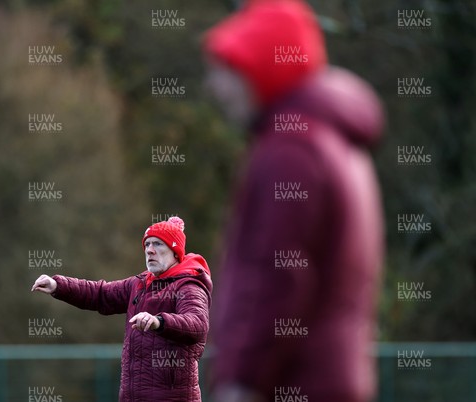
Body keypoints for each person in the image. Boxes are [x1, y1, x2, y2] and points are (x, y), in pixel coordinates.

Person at [203, 1, 385, 401]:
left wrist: (242, 382)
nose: (216, 88)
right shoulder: (335, 141)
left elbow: (277, 278)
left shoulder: (290, 151)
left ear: (266, 70)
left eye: (232, 71)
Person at [31, 216, 212, 402]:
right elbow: (101, 294)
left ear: (175, 252)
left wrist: (159, 321)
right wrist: (58, 286)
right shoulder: (140, 283)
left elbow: (197, 325)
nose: (149, 250)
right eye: (147, 244)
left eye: (158, 244)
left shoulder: (189, 285)